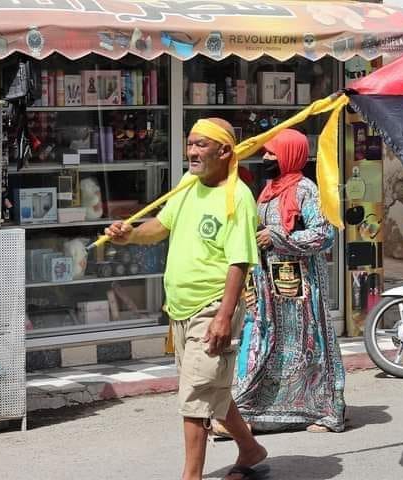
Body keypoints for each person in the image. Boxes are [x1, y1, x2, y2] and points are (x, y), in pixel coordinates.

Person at [105, 118, 267, 480]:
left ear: (225, 151)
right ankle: (251, 449)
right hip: (179, 307)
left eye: (201, 145)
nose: (192, 152)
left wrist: (224, 316)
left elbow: (240, 261)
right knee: (209, 388)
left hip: (211, 306)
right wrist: (129, 235)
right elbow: (161, 226)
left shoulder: (237, 197)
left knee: (196, 395)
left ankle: (190, 476)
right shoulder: (187, 183)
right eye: (190, 144)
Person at [232, 128, 346, 433]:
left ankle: (323, 411)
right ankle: (256, 412)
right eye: (266, 152)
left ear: (289, 155)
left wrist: (278, 236)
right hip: (271, 288)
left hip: (303, 292)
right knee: (266, 345)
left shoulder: (307, 190)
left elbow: (325, 234)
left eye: (273, 153)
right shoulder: (268, 191)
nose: (266, 158)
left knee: (309, 348)